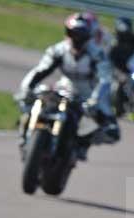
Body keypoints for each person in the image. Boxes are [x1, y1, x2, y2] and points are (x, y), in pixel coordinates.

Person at [15, 13, 119, 161]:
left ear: (88, 36)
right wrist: (26, 88)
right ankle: (24, 138)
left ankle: (82, 144)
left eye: (80, 35)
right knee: (28, 102)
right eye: (72, 33)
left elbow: (105, 80)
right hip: (65, 88)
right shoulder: (58, 50)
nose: (75, 38)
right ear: (66, 33)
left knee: (112, 132)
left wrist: (94, 101)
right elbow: (40, 70)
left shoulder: (98, 54)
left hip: (90, 94)